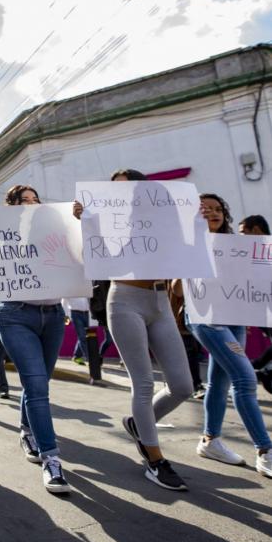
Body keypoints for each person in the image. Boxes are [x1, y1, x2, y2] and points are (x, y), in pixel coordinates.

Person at [73, 169, 193, 491]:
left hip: (160, 302)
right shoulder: (103, 220)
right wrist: (86, 224)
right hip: (125, 299)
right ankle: (155, 460)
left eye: (127, 189)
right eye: (114, 190)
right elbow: (93, 260)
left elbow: (185, 254)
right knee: (143, 382)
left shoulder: (162, 217)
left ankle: (138, 423)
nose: (120, 195)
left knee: (183, 385)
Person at [181, 194, 272, 478]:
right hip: (207, 319)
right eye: (204, 209)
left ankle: (210, 440)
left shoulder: (237, 245)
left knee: (218, 381)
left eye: (217, 208)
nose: (212, 212)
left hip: (234, 319)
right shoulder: (187, 244)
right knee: (244, 379)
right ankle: (265, 450)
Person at [0, 185, 70, 494]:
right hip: (15, 315)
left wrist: (81, 222)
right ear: (11, 207)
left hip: (52, 316)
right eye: (24, 201)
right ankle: (51, 460)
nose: (32, 204)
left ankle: (26, 430)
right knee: (36, 384)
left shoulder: (57, 229)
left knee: (39, 383)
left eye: (36, 199)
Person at [63, 297, 90, 366]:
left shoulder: (85, 286)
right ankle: (90, 359)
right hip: (75, 313)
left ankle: (77, 356)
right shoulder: (70, 288)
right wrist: (66, 318)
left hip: (87, 313)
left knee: (84, 336)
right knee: (82, 337)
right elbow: (64, 302)